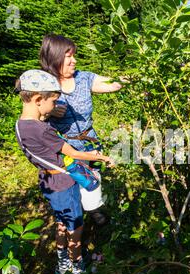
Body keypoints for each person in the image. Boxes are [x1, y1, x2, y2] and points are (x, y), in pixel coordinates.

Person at [14, 69, 115, 274]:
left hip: (47, 180)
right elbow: (74, 153)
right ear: (38, 99)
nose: (55, 106)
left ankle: (62, 262)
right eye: (53, 101)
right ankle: (77, 265)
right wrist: (102, 157)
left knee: (61, 220)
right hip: (63, 183)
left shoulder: (21, 125)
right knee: (75, 225)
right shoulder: (43, 130)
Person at [39, 34, 127, 226]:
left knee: (92, 179)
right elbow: (31, 115)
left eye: (74, 55)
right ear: (54, 57)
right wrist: (49, 112)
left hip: (88, 141)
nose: (74, 60)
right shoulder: (43, 83)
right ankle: (72, 218)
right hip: (62, 146)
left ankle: (93, 209)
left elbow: (113, 83)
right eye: (69, 56)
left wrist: (134, 77)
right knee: (68, 185)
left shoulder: (84, 78)